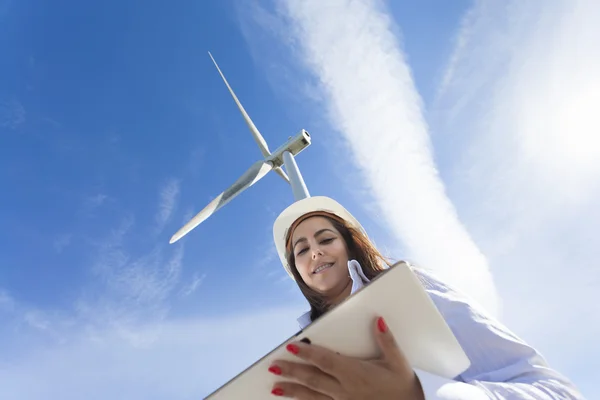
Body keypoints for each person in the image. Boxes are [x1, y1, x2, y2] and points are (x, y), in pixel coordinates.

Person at [266, 196, 583, 399]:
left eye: (326, 239)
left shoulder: (412, 287)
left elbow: (557, 394)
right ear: (297, 271)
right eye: (302, 250)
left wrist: (418, 394)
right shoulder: (300, 357)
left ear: (350, 244)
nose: (315, 251)